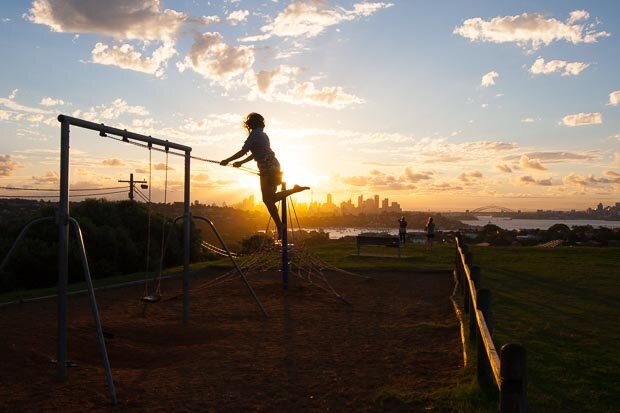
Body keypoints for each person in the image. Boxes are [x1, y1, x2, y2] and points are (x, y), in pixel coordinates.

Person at [220, 113, 309, 238]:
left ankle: (279, 225)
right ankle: (294, 191)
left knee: (267, 200)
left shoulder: (254, 134)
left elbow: (244, 151)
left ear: (251, 124)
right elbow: (256, 153)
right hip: (274, 166)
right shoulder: (263, 135)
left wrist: (227, 160)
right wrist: (241, 162)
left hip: (267, 168)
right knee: (270, 198)